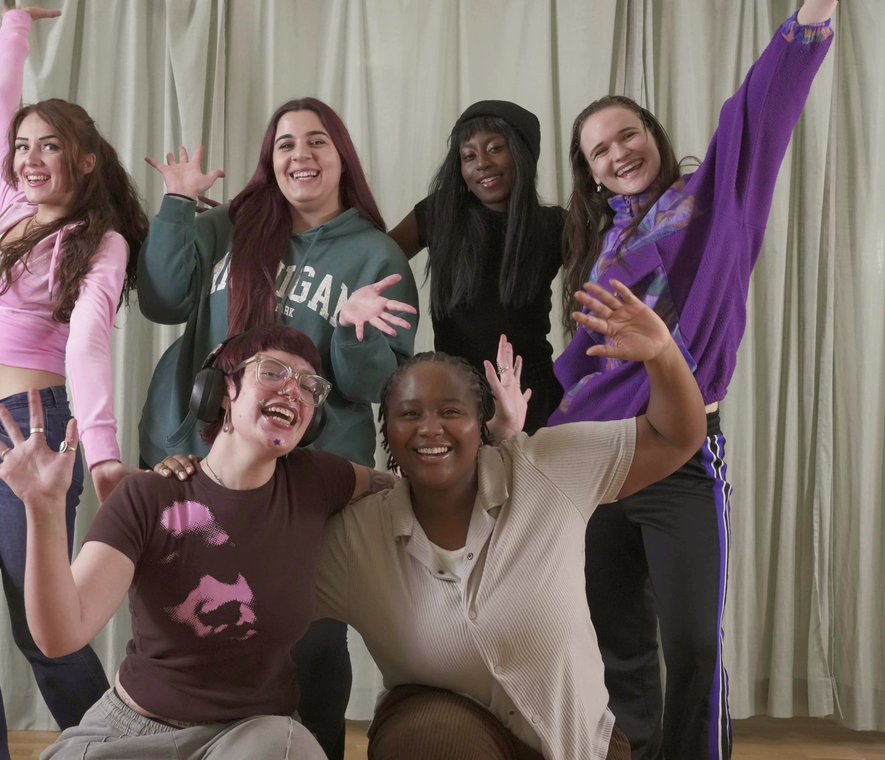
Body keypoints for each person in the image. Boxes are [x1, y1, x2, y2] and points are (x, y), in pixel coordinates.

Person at [553, 0, 885, 759]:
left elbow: (758, 108)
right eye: (601, 149)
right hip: (593, 458)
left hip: (681, 454)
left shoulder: (716, 198)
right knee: (619, 646)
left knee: (692, 646)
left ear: (652, 133)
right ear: (592, 173)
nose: (619, 151)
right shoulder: (596, 248)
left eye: (628, 133)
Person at [159, 279, 706, 760]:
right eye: (410, 414)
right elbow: (255, 581)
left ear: (481, 424)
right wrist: (203, 483)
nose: (430, 428)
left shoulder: (546, 470)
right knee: (425, 738)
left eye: (451, 412)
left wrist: (662, 354)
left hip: (577, 745)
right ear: (388, 434)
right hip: (445, 734)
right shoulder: (355, 536)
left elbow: (675, 436)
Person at [0, 325, 403, 760]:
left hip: (252, 738)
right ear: (221, 390)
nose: (295, 390)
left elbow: (401, 486)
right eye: (273, 372)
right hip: (131, 730)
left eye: (310, 386)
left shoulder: (316, 480)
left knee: (292, 748)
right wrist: (42, 509)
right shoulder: (151, 496)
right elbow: (60, 637)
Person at [136, 97, 418, 758]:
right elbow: (161, 298)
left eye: (316, 141)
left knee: (312, 644)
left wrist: (351, 330)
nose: (300, 154)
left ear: (341, 156)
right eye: (285, 143)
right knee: (202, 638)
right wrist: (179, 204)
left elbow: (369, 385)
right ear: (271, 161)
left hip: (307, 485)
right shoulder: (233, 227)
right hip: (209, 469)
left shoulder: (376, 256)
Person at [0, 6, 149, 759]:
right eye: (22, 147)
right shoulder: (11, 207)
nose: (27, 158)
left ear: (84, 158)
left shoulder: (103, 241)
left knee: (44, 629)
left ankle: (116, 749)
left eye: (48, 145)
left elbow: (88, 342)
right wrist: (12, 27)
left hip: (33, 435)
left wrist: (107, 448)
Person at [389, 101, 564, 432]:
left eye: (495, 149)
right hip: (454, 392)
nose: (482, 163)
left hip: (531, 393)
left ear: (523, 154)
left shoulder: (554, 226)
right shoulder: (440, 213)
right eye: (468, 156)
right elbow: (378, 257)